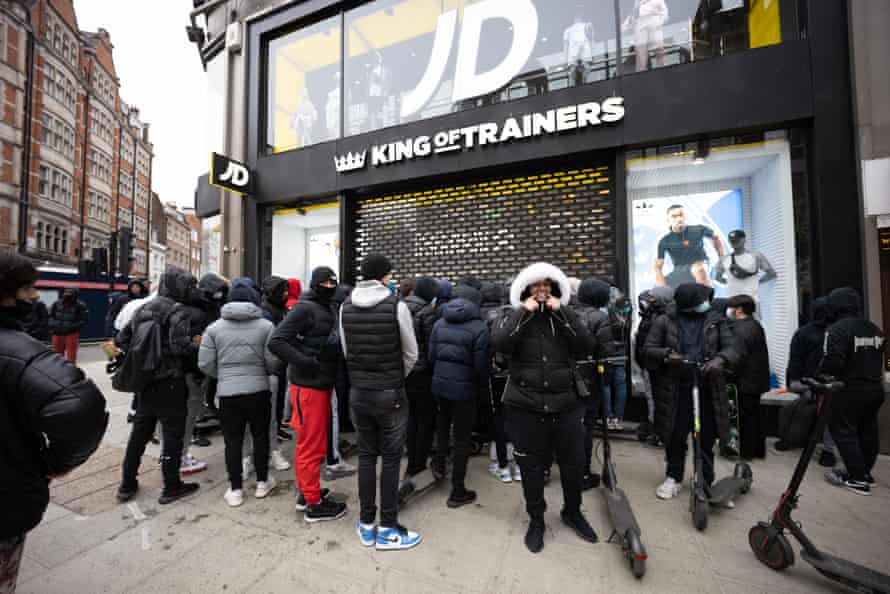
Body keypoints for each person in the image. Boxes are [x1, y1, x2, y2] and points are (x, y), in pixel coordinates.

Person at [0, 253, 107, 593]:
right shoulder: (17, 351)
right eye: (27, 287)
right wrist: (56, 464)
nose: (34, 296)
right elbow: (79, 406)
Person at [492, 262, 598, 553]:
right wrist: (522, 312)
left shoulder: (565, 314)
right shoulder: (511, 315)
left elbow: (586, 345)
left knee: (573, 463)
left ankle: (572, 512)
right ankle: (536, 519)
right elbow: (500, 343)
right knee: (531, 466)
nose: (541, 291)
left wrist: (561, 311)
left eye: (546, 285)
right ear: (526, 289)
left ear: (554, 288)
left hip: (566, 403)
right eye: (536, 286)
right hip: (525, 405)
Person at [339, 253, 420, 550]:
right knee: (390, 460)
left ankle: (366, 524)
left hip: (359, 392)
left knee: (365, 457)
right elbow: (411, 353)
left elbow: (347, 351)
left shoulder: (344, 306)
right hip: (390, 394)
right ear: (383, 276)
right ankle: (387, 529)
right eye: (389, 274)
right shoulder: (396, 305)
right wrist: (395, 376)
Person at [642, 283, 738, 502]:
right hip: (676, 389)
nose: (706, 303)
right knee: (676, 435)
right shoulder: (664, 321)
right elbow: (648, 349)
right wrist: (667, 355)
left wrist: (720, 359)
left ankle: (706, 481)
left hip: (708, 388)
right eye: (701, 300)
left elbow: (733, 348)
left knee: (706, 438)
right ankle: (673, 477)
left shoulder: (716, 320)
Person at [115, 269, 202, 505]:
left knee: (140, 433)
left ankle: (127, 483)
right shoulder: (177, 311)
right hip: (170, 381)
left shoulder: (142, 308)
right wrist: (197, 345)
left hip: (145, 381)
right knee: (173, 434)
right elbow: (179, 347)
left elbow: (122, 339)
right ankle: (171, 485)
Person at [269, 267, 345, 522]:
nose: (330, 285)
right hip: (308, 387)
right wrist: (307, 362)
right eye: (325, 281)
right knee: (310, 447)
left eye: (333, 281)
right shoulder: (305, 308)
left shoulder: (327, 306)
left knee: (315, 444)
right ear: (315, 284)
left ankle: (307, 492)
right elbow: (277, 341)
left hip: (320, 385)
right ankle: (313, 505)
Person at [199, 280, 280, 507]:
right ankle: (263, 483)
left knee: (232, 441)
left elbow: (205, 363)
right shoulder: (266, 326)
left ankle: (235, 490)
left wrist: (224, 376)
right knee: (261, 436)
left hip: (228, 394)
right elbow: (272, 361)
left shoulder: (214, 328)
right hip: (259, 391)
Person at [819, 287, 885, 496]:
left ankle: (857, 479)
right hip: (875, 387)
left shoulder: (837, 330)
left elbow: (833, 362)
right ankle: (865, 473)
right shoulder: (874, 328)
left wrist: (821, 373)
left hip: (849, 389)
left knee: (844, 433)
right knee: (868, 431)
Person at [429, 285, 490, 508]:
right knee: (462, 438)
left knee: (443, 428)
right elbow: (481, 366)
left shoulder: (439, 323)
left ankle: (439, 466)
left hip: (440, 385)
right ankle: (457, 491)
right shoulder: (480, 327)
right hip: (465, 391)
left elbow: (431, 356)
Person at [574, 278, 621, 490]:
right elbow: (606, 353)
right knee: (586, 425)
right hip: (589, 381)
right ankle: (582, 471)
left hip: (563, 378)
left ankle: (551, 466)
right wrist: (606, 379)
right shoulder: (599, 318)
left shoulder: (566, 313)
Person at [784, 297, 836, 463]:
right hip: (831, 382)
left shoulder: (804, 332)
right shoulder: (837, 331)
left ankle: (794, 440)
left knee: (808, 412)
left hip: (809, 383)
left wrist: (794, 382)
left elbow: (795, 361)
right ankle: (827, 451)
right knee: (828, 416)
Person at [403, 276, 441, 479]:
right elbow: (431, 346)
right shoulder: (428, 312)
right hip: (422, 372)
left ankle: (411, 461)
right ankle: (419, 464)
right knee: (425, 419)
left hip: (405, 371)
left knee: (411, 417)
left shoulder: (400, 307)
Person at [481, 281, 518, 483]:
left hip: (496, 375)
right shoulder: (525, 316)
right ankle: (520, 467)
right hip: (520, 376)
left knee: (498, 419)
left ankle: (502, 466)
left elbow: (486, 346)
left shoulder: (491, 317)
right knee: (520, 419)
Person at [725, 295, 770, 460]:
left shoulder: (741, 329)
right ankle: (758, 450)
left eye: (730, 308)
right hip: (755, 379)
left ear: (738, 310)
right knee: (754, 416)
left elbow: (736, 357)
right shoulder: (754, 325)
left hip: (745, 381)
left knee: (746, 418)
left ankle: (746, 453)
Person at [634, 286, 674, 445]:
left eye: (652, 297)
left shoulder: (660, 318)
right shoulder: (652, 315)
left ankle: (659, 432)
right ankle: (657, 429)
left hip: (655, 365)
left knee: (658, 400)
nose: (648, 299)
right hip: (649, 364)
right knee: (654, 399)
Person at [654, 205, 724, 289]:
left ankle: (706, 300)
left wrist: (721, 259)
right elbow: (658, 267)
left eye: (681, 215)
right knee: (657, 288)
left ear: (685, 216)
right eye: (674, 216)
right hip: (680, 271)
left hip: (701, 264)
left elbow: (715, 238)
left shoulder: (699, 229)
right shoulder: (665, 240)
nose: (679, 219)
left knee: (698, 269)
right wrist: (662, 289)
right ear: (668, 220)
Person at [261, 274, 293, 445]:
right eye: (283, 291)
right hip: (273, 362)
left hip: (281, 360)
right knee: (272, 401)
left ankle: (278, 427)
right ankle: (272, 432)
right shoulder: (266, 311)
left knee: (280, 397)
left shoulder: (280, 308)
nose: (286, 294)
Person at [49, 286, 89, 363]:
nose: (67, 294)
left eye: (70, 293)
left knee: (71, 357)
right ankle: (56, 372)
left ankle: (70, 373)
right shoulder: (56, 303)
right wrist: (53, 325)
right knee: (56, 357)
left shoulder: (80, 305)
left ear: (75, 294)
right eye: (66, 292)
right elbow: (50, 316)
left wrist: (71, 327)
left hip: (71, 334)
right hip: (57, 333)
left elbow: (84, 320)